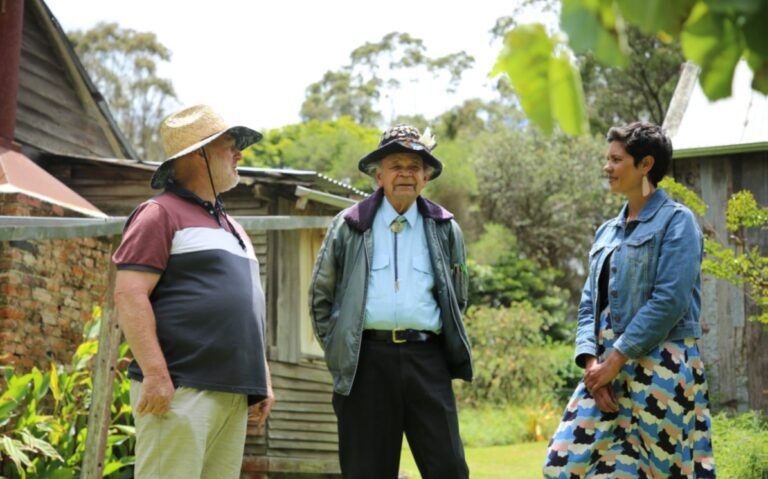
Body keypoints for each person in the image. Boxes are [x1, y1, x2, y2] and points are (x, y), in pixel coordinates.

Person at [543, 122, 716, 478]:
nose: (606, 167)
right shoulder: (607, 231)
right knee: (562, 464)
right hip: (606, 366)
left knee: (663, 470)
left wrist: (618, 358)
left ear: (645, 164)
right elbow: (590, 301)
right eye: (607, 159)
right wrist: (594, 366)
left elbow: (670, 300)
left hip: (661, 364)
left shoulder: (677, 222)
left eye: (616, 159)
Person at [112, 104, 274, 479]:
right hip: (180, 389)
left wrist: (261, 377)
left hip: (233, 393)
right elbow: (129, 294)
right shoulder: (159, 213)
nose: (240, 155)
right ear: (199, 154)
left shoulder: (234, 227)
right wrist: (154, 374)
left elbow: (249, 309)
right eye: (229, 146)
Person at [309, 124, 473, 479]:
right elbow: (320, 298)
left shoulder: (445, 227)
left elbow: (458, 298)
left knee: (448, 468)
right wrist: (341, 348)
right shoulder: (349, 225)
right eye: (396, 165)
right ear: (378, 174)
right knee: (366, 470)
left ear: (426, 178)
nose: (405, 174)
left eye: (414, 167)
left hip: (427, 361)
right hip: (365, 364)